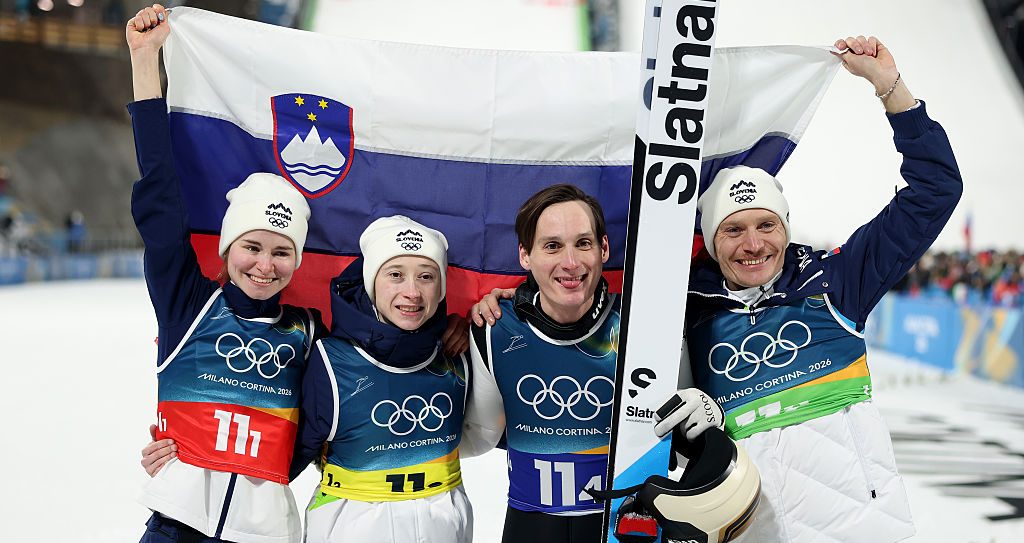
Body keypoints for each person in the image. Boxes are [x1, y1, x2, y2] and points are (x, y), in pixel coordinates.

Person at [661, 35, 962, 542]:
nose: (753, 244)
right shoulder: (684, 313)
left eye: (767, 225)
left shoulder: (836, 280)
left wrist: (891, 89)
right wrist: (705, 425)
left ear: (785, 227)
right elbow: (667, 434)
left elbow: (935, 191)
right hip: (752, 530)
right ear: (711, 242)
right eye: (733, 230)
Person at [128, 6, 323, 542]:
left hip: (264, 532)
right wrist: (144, 62)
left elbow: (333, 413)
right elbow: (159, 198)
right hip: (176, 522)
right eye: (251, 247)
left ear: (298, 261)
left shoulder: (309, 331)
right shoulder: (188, 304)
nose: (264, 265)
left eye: (281, 252)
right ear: (227, 249)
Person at [465, 184, 722, 543]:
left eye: (583, 243)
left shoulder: (647, 325)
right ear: (525, 255)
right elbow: (477, 436)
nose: (571, 263)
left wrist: (711, 420)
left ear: (604, 249)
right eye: (552, 246)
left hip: (628, 527)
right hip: (531, 526)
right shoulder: (494, 328)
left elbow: (681, 446)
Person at [292, 215, 479, 542]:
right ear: (371, 282)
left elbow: (509, 429)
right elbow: (283, 460)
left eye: (426, 276)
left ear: (440, 288)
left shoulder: (458, 352)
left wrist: (499, 311)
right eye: (395, 275)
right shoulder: (331, 359)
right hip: (350, 527)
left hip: (444, 526)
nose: (412, 292)